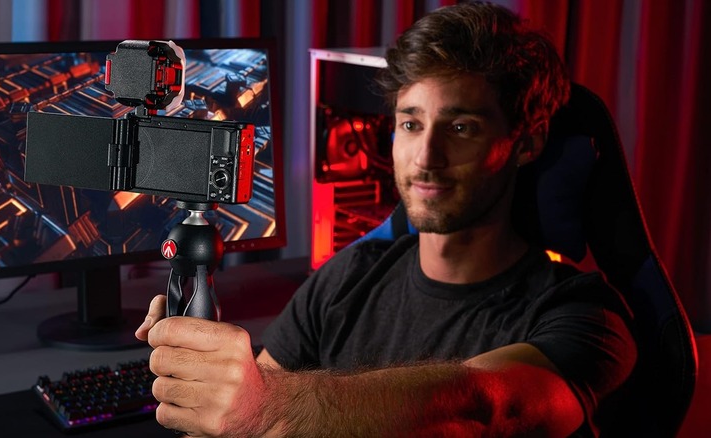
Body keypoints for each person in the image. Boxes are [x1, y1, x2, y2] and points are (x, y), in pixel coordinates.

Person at [135, 2, 637, 436]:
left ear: (525, 143)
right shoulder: (347, 278)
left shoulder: (584, 315)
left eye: (461, 127)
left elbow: (488, 408)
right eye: (411, 124)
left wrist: (266, 406)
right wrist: (204, 384)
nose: (426, 157)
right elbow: (244, 418)